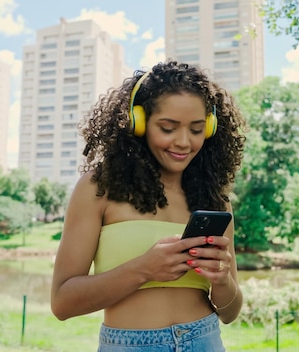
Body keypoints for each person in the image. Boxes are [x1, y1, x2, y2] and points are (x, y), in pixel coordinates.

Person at [50, 60, 247, 351]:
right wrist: (144, 270)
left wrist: (221, 281)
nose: (183, 142)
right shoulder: (99, 188)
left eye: (196, 130)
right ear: (137, 122)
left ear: (210, 127)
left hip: (205, 340)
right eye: (168, 128)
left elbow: (230, 312)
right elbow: (62, 303)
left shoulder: (215, 197)